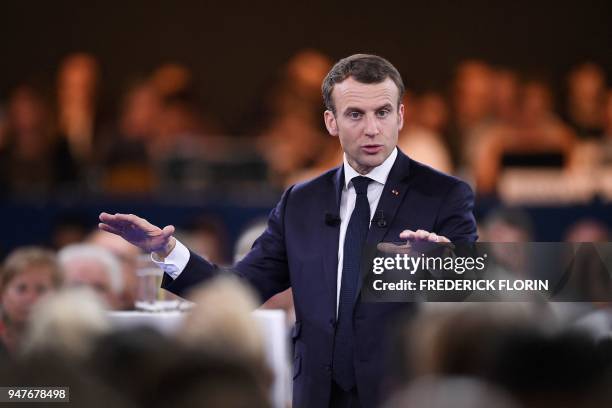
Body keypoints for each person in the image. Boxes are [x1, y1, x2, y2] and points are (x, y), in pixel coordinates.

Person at [99, 54, 478, 408]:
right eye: (355, 115)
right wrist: (167, 251)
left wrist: (440, 270)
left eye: (382, 113)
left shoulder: (443, 194)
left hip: (401, 395)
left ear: (400, 116)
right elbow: (238, 290)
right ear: (331, 122)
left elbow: (479, 298)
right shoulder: (302, 202)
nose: (372, 129)